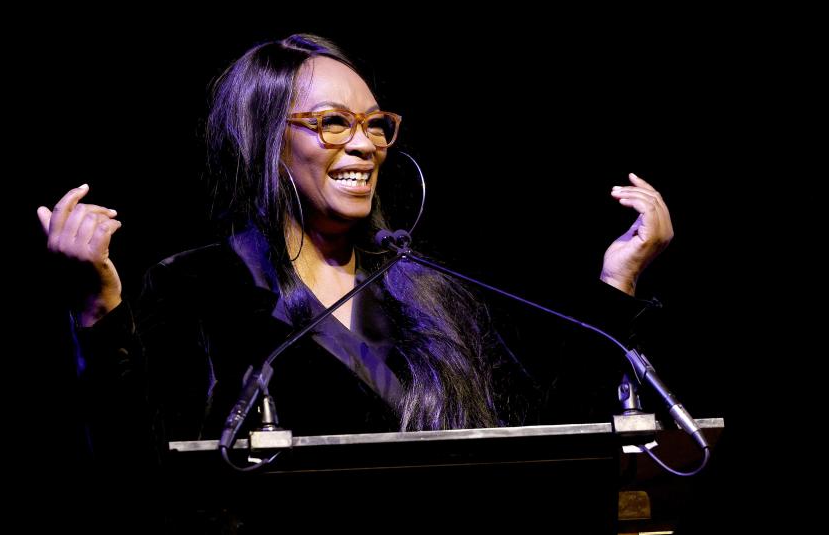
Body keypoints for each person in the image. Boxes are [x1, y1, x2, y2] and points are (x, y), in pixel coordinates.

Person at [36, 33, 673, 530]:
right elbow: (139, 480)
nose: (365, 144)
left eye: (375, 124)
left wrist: (616, 285)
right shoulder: (198, 287)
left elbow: (533, 454)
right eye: (334, 122)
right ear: (267, 141)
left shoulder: (427, 290)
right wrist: (99, 313)